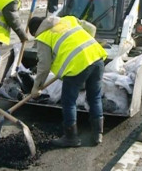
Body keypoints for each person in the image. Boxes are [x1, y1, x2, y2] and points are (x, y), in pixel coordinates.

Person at [28, 15, 107, 147]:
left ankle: (71, 138)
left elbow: (44, 66)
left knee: (68, 101)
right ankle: (98, 134)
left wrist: (36, 87)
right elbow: (91, 28)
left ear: (35, 31)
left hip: (76, 66)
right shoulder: (67, 20)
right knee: (94, 97)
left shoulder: (43, 37)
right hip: (96, 58)